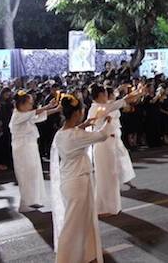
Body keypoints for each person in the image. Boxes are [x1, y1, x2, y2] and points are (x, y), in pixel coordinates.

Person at [50, 94, 113, 263]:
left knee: (83, 222)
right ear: (77, 114)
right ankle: (64, 258)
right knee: (73, 225)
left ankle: (86, 255)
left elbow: (75, 134)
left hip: (70, 182)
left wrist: (85, 125)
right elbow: (101, 136)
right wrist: (108, 122)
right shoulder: (76, 136)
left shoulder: (61, 134)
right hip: (78, 183)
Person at [88, 84, 142, 216]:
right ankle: (104, 207)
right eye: (105, 94)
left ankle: (110, 206)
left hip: (109, 143)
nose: (107, 96)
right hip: (104, 144)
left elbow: (122, 100)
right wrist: (138, 92)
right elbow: (124, 101)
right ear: (100, 95)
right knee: (107, 176)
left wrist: (137, 93)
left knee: (110, 176)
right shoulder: (99, 108)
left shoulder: (100, 107)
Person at [9, 90, 60, 212]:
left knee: (33, 173)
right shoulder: (17, 115)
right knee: (25, 174)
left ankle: (32, 200)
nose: (32, 105)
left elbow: (38, 116)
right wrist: (48, 106)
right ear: (22, 104)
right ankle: (26, 203)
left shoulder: (26, 115)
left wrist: (56, 109)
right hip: (22, 149)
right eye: (30, 103)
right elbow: (34, 113)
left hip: (30, 147)